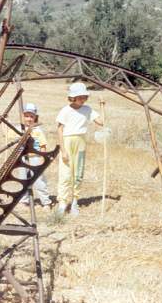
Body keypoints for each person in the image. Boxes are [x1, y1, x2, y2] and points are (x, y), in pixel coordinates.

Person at [56, 82, 104, 216]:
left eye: (85, 97)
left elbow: (101, 122)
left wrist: (102, 106)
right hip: (67, 141)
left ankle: (75, 202)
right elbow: (59, 130)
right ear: (73, 97)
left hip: (81, 141)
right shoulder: (65, 110)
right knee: (65, 174)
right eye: (80, 97)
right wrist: (63, 150)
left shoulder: (87, 109)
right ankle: (62, 203)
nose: (83, 99)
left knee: (78, 173)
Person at [17, 103, 53, 207]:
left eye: (31, 116)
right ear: (22, 116)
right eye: (26, 116)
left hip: (35, 158)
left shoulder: (38, 130)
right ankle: (24, 200)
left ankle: (46, 202)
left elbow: (43, 145)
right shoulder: (19, 129)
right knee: (23, 179)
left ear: (35, 117)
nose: (29, 119)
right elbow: (6, 134)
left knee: (38, 179)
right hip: (22, 158)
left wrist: (42, 158)